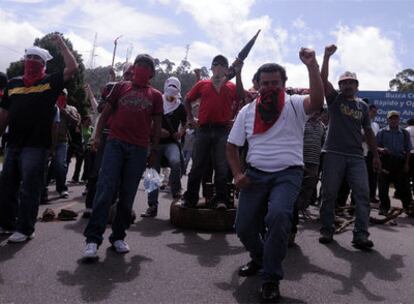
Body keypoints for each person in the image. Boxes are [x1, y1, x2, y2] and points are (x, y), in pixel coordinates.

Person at [226, 48, 324, 302]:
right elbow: (231, 147)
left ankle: (270, 278)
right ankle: (260, 258)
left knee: (279, 216)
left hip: (288, 173)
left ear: (284, 84)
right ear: (257, 85)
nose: (270, 87)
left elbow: (316, 102)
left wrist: (313, 66)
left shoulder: (294, 104)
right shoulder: (247, 111)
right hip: (255, 174)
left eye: (275, 83)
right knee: (244, 227)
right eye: (265, 83)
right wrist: (237, 174)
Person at [0, 35, 78, 242]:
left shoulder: (50, 82)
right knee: (7, 184)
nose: (31, 61)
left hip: (36, 145)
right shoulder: (13, 84)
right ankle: (7, 224)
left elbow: (72, 68)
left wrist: (61, 45)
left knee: (29, 188)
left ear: (43, 64)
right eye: (29, 57)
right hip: (13, 143)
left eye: (36, 59)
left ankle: (25, 229)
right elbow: (4, 114)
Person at [83, 54, 162, 258]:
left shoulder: (156, 95)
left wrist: (154, 150)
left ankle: (118, 237)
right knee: (105, 189)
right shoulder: (120, 87)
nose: (142, 68)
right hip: (115, 144)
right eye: (139, 64)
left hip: (139, 148)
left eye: (147, 65)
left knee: (128, 194)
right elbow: (105, 114)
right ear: (133, 68)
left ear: (152, 73)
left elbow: (157, 125)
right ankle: (92, 240)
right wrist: (97, 136)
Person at [319, 44, 381, 249]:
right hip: (334, 154)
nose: (347, 86)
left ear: (357, 85)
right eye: (343, 83)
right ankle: (327, 230)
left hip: (356, 157)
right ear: (339, 86)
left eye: (350, 83)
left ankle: (361, 235)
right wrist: (327, 56)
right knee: (329, 194)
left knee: (363, 195)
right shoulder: (334, 100)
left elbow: (369, 132)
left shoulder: (362, 107)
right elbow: (322, 80)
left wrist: (375, 155)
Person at [182, 55, 243, 210]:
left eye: (222, 65)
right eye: (216, 65)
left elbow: (242, 97)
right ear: (212, 68)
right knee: (197, 166)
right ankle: (191, 198)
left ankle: (220, 199)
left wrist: (239, 73)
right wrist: (191, 119)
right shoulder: (203, 84)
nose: (219, 67)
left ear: (227, 69)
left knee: (222, 167)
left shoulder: (231, 86)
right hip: (203, 129)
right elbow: (187, 100)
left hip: (222, 130)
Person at [141, 76, 187, 217]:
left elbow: (185, 123)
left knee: (176, 161)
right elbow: (146, 121)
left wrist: (180, 132)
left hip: (171, 144)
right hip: (154, 143)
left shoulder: (180, 107)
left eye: (174, 96)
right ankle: (152, 205)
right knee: (152, 175)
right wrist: (157, 131)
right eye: (169, 96)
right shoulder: (156, 102)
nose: (171, 99)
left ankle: (176, 191)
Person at [377, 111, 412, 214]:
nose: (394, 120)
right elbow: (374, 146)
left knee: (404, 187)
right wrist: (381, 150)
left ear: (398, 120)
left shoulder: (404, 133)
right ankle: (384, 207)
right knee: (383, 187)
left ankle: (408, 207)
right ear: (387, 120)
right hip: (386, 161)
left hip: (399, 162)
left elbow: (408, 149)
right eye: (391, 118)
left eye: (396, 118)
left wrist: (407, 164)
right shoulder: (381, 132)